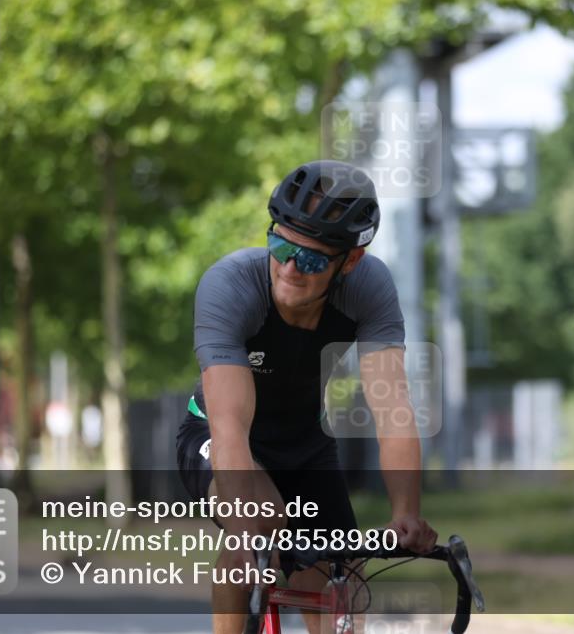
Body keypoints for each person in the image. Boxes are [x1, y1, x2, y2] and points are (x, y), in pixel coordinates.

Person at [176, 160, 436, 634]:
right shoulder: (230, 285)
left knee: (343, 572)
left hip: (305, 443)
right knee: (258, 522)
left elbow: (393, 408)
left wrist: (405, 514)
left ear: (349, 261)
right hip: (222, 437)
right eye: (280, 244)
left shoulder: (369, 288)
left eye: (313, 259)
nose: (291, 268)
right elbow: (230, 428)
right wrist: (244, 530)